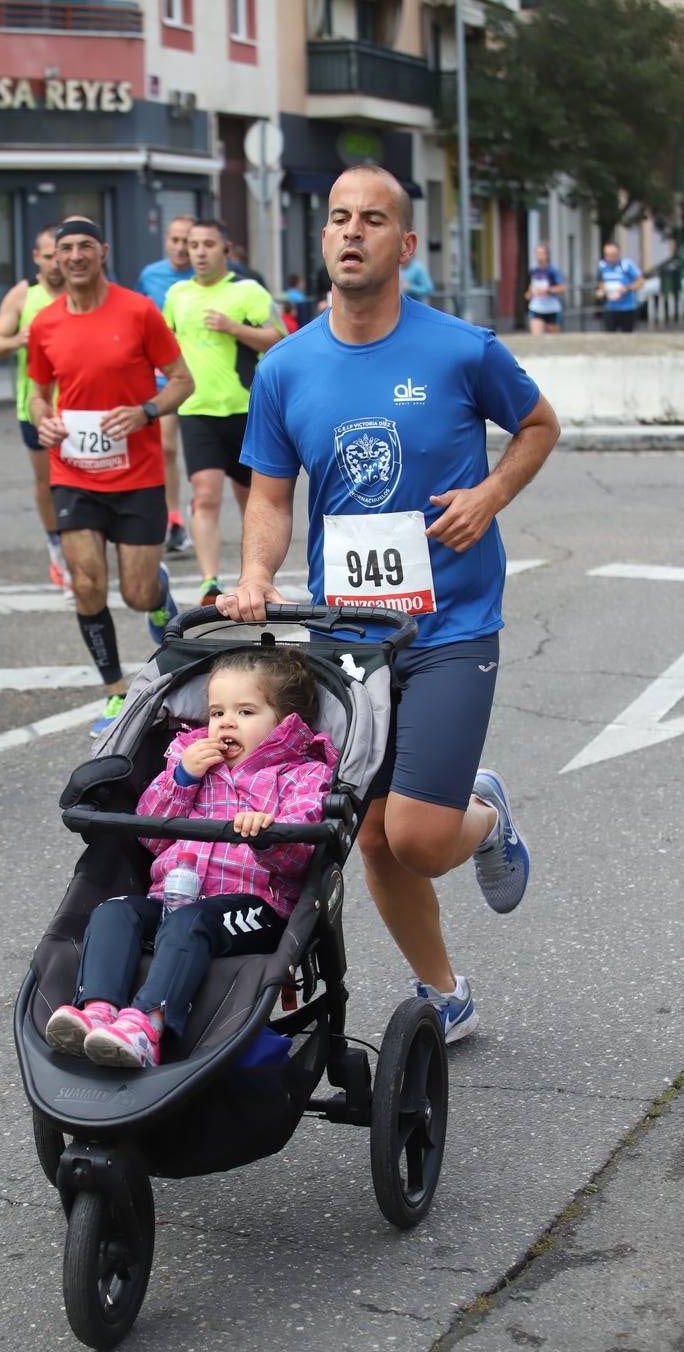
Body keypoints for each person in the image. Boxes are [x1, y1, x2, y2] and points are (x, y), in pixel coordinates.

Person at [217, 165, 561, 1044]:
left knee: (417, 838)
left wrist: (490, 495)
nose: (351, 231)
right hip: (349, 637)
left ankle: (484, 816)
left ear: (404, 244)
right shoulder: (285, 366)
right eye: (339, 217)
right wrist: (254, 573)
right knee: (368, 837)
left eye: (372, 219)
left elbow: (539, 425)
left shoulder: (461, 349)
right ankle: (445, 993)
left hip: (452, 626)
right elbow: (270, 496)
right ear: (322, 237)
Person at [44, 646, 339, 1068]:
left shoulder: (303, 774)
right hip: (172, 898)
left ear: (286, 722)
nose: (226, 723)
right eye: (217, 712)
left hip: (255, 909)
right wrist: (182, 778)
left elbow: (301, 859)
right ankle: (98, 1012)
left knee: (191, 922)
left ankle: (147, 1026)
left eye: (245, 712)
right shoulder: (188, 760)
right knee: (112, 911)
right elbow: (149, 836)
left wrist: (269, 836)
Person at [27, 217, 194, 737]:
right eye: (65, 248)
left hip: (137, 474)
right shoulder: (45, 323)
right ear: (55, 258)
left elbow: (182, 381)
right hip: (74, 472)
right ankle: (115, 690)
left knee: (137, 594)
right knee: (86, 583)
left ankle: (158, 597)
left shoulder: (138, 310)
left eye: (85, 247)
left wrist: (146, 410)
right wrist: (42, 420)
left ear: (102, 251)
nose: (75, 256)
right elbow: (37, 393)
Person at [163, 218, 285, 603]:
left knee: (252, 500)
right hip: (197, 408)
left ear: (226, 250)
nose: (199, 252)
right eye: (193, 245)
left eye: (208, 245)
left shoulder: (248, 291)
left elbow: (279, 338)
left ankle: (255, 576)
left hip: (246, 409)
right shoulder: (177, 294)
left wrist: (234, 327)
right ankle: (209, 581)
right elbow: (166, 345)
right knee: (205, 493)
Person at [0, 224, 69, 590]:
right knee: (47, 482)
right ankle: (57, 547)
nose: (55, 264)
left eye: (59, 255)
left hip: (83, 409)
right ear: (36, 257)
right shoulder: (23, 295)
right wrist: (19, 338)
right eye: (47, 256)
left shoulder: (86, 292)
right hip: (35, 406)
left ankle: (84, 545)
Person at [134, 214, 196, 555]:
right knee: (167, 447)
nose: (181, 247)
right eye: (175, 240)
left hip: (206, 375)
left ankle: (199, 502)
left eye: (187, 240)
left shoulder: (206, 274)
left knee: (204, 455)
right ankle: (174, 519)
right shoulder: (150, 275)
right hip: (166, 374)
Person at [595, 242, 644, 333]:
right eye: (608, 255)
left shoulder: (626, 265)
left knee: (627, 335)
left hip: (627, 307)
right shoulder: (602, 266)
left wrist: (627, 288)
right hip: (610, 307)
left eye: (613, 255)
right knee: (609, 335)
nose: (610, 258)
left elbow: (640, 281)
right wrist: (601, 291)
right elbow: (602, 282)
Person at [524, 242, 565, 335]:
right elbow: (531, 287)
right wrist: (529, 294)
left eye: (542, 253)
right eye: (537, 253)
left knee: (554, 339)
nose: (539, 256)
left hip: (552, 308)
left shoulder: (553, 271)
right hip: (537, 308)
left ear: (547, 255)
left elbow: (562, 287)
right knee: (536, 337)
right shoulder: (534, 271)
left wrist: (548, 290)